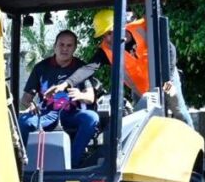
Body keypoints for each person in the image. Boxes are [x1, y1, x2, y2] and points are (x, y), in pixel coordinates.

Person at [51, 9, 192, 125]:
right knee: (142, 122)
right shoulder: (105, 50)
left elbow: (170, 49)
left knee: (179, 111)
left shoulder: (143, 27)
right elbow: (88, 68)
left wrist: (167, 79)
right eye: (103, 35)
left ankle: (193, 148)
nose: (107, 39)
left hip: (166, 81)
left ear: (120, 25)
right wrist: (66, 84)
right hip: (141, 90)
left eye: (109, 33)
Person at [18, 30, 99, 167]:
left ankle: (71, 163)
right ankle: (25, 166)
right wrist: (30, 105)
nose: (65, 49)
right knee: (23, 122)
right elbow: (25, 98)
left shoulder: (81, 67)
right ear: (55, 46)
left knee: (92, 118)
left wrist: (80, 95)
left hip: (72, 113)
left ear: (74, 48)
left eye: (69, 45)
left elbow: (90, 97)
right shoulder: (41, 68)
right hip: (46, 113)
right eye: (61, 45)